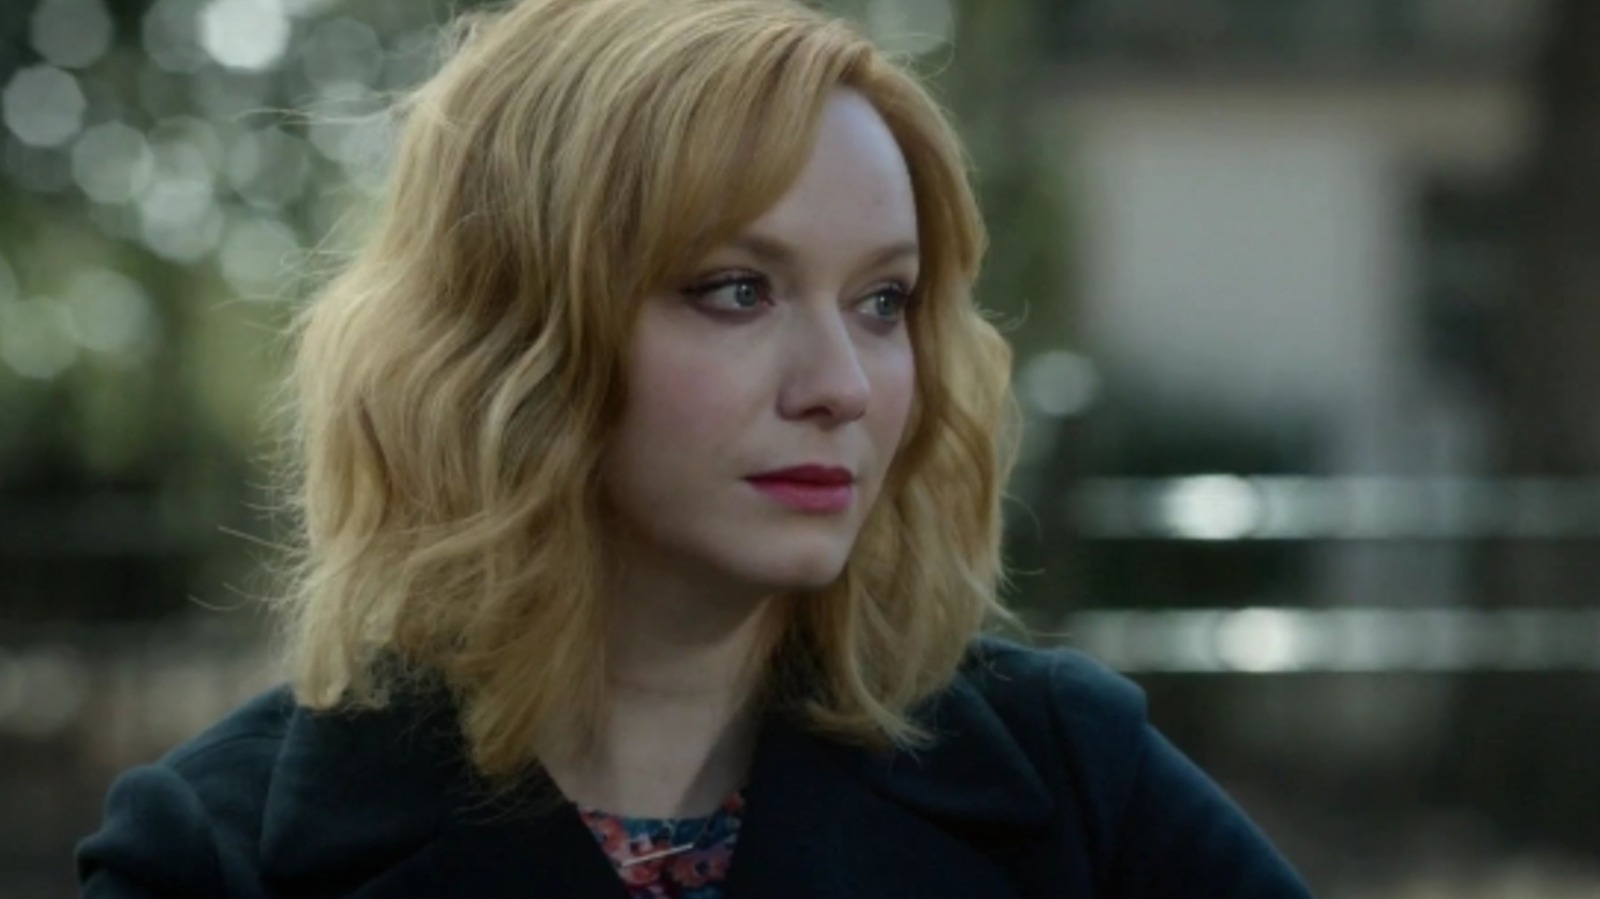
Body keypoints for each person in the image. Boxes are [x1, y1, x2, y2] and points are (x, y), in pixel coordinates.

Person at [77, 0, 1314, 896]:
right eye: (736, 289)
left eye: (882, 301)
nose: (841, 386)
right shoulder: (213, 855)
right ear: (514, 339)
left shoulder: (1072, 777)